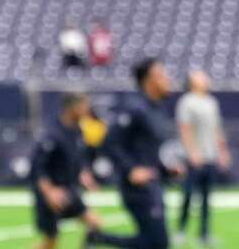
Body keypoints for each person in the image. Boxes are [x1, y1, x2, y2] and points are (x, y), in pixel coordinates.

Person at [88, 58, 178, 249]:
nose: (167, 79)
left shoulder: (156, 109)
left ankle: (98, 238)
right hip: (138, 189)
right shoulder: (134, 107)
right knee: (157, 243)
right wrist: (131, 170)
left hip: (153, 184)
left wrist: (166, 169)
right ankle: (98, 238)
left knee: (154, 243)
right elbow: (109, 142)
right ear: (148, 80)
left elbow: (148, 150)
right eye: (161, 75)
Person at [31, 92, 103, 249]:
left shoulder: (77, 130)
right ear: (72, 107)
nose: (87, 110)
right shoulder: (52, 133)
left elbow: (79, 158)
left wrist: (84, 174)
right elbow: (38, 167)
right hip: (52, 194)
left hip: (70, 191)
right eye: (83, 105)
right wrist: (49, 192)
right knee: (50, 242)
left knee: (95, 224)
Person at [175, 70, 229, 247]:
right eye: (200, 76)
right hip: (194, 158)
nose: (205, 78)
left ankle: (204, 234)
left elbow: (217, 130)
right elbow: (184, 129)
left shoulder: (211, 102)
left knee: (206, 198)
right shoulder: (187, 102)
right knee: (189, 195)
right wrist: (191, 153)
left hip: (210, 156)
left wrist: (222, 151)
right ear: (192, 82)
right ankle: (181, 230)